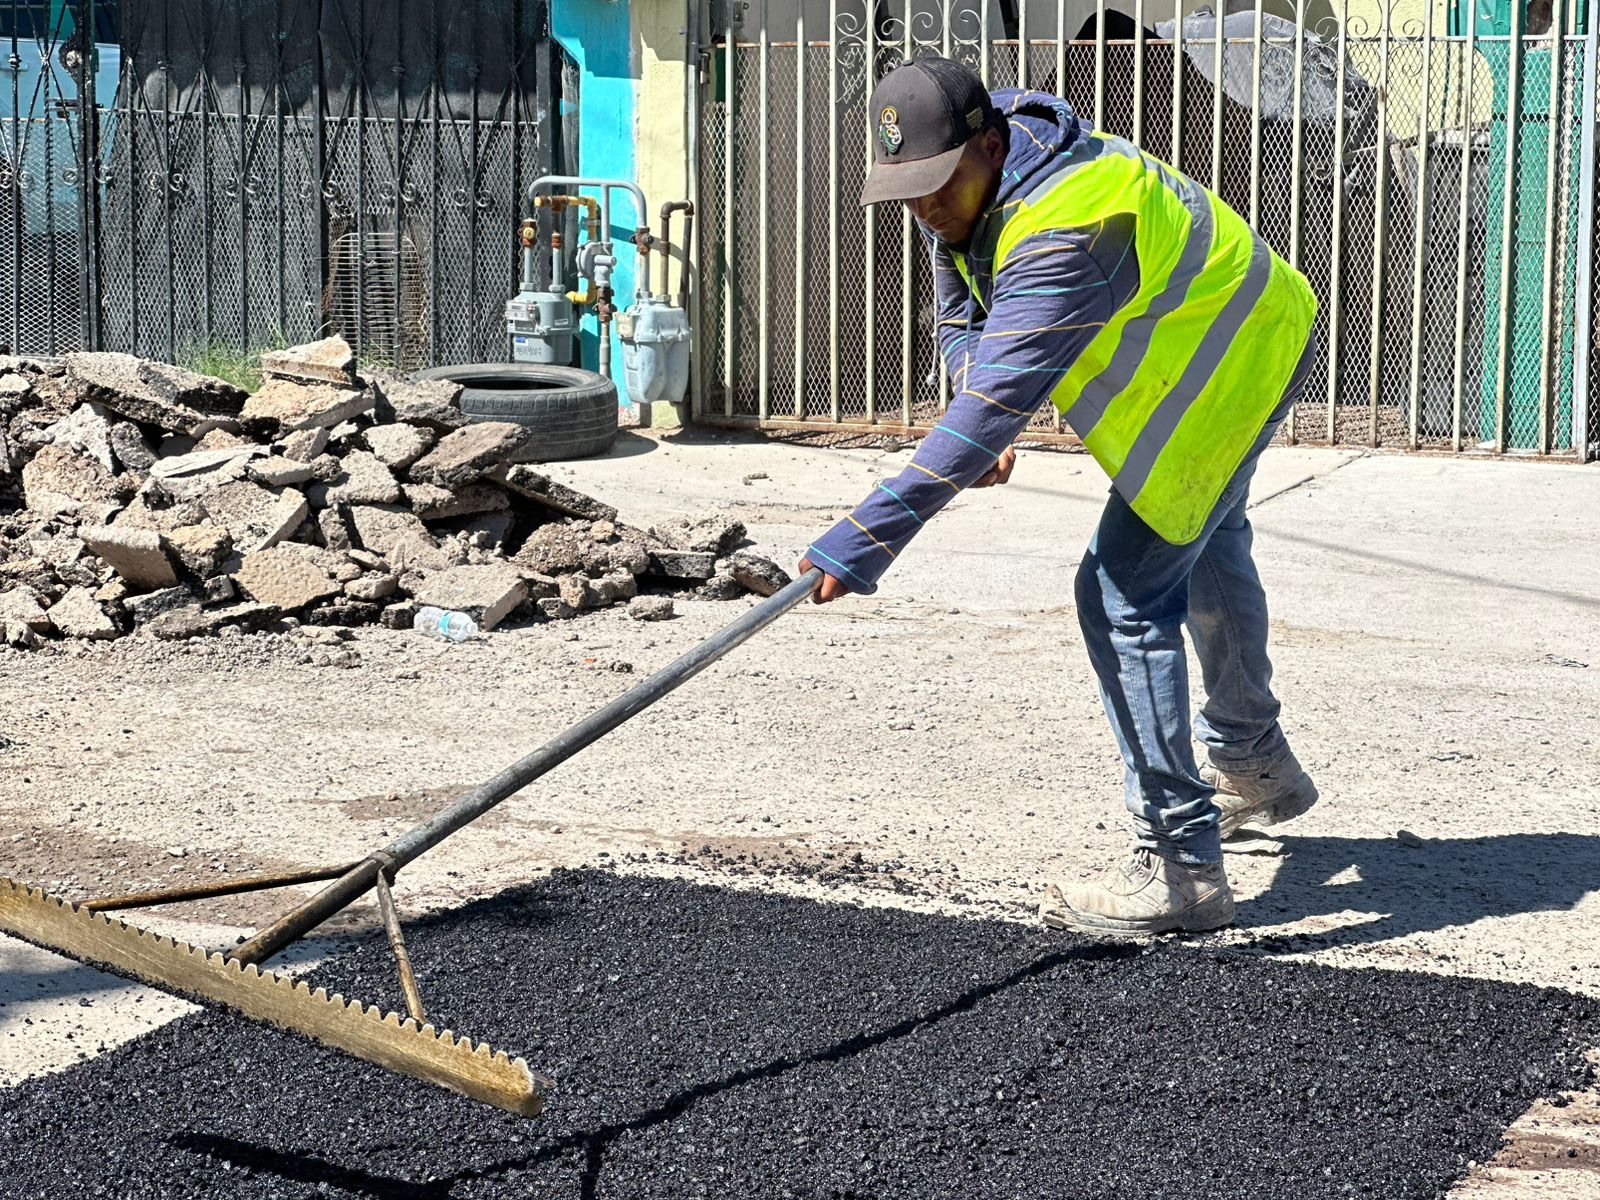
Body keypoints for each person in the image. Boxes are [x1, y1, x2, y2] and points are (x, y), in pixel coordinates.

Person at [799, 55, 1322, 937]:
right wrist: (971, 381)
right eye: (908, 192)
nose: (925, 208)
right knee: (1209, 545)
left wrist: (863, 538)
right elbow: (960, 305)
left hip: (1239, 355)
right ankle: (1253, 762)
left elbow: (982, 419)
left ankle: (1180, 866)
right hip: (1231, 328)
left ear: (989, 146)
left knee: (1122, 592)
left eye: (936, 187)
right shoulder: (963, 175)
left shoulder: (1066, 232)